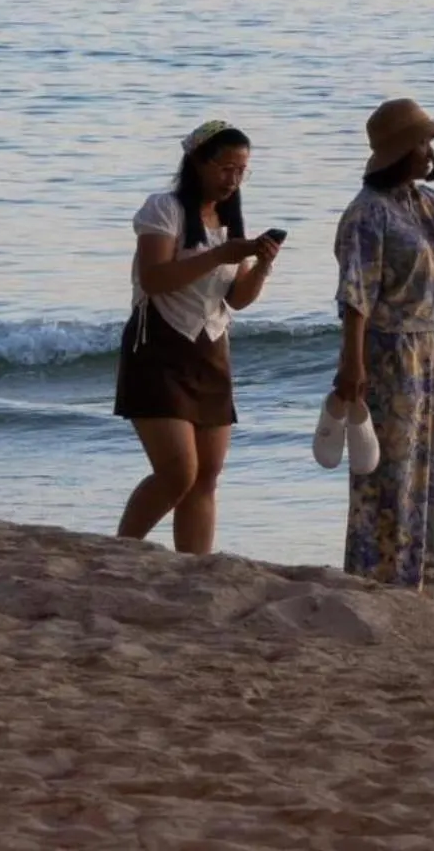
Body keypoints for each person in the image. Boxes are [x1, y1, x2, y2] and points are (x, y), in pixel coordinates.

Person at [330, 98, 434, 596]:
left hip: (425, 350)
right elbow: (356, 296)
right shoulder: (366, 214)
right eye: (423, 142)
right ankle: (379, 581)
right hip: (387, 352)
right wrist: (352, 364)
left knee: (421, 472)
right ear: (403, 149)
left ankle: (417, 585)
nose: (430, 151)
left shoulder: (420, 201)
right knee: (388, 473)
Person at [115, 120, 281, 553]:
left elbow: (239, 299)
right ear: (198, 164)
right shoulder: (163, 209)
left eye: (242, 170)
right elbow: (154, 278)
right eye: (226, 168)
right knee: (177, 472)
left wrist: (260, 263)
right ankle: (120, 549)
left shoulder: (228, 223)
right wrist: (220, 255)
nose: (234, 179)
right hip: (158, 347)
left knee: (207, 475)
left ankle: (195, 567)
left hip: (211, 349)